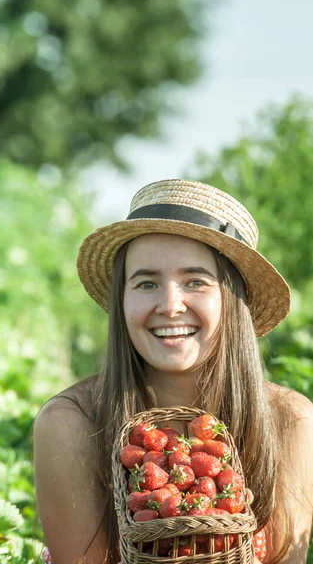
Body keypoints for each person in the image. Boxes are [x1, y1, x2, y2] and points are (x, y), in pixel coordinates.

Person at [34, 179, 313, 564]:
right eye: (146, 282)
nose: (169, 304)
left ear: (232, 300)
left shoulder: (290, 422)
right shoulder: (72, 423)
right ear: (122, 299)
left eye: (195, 281)